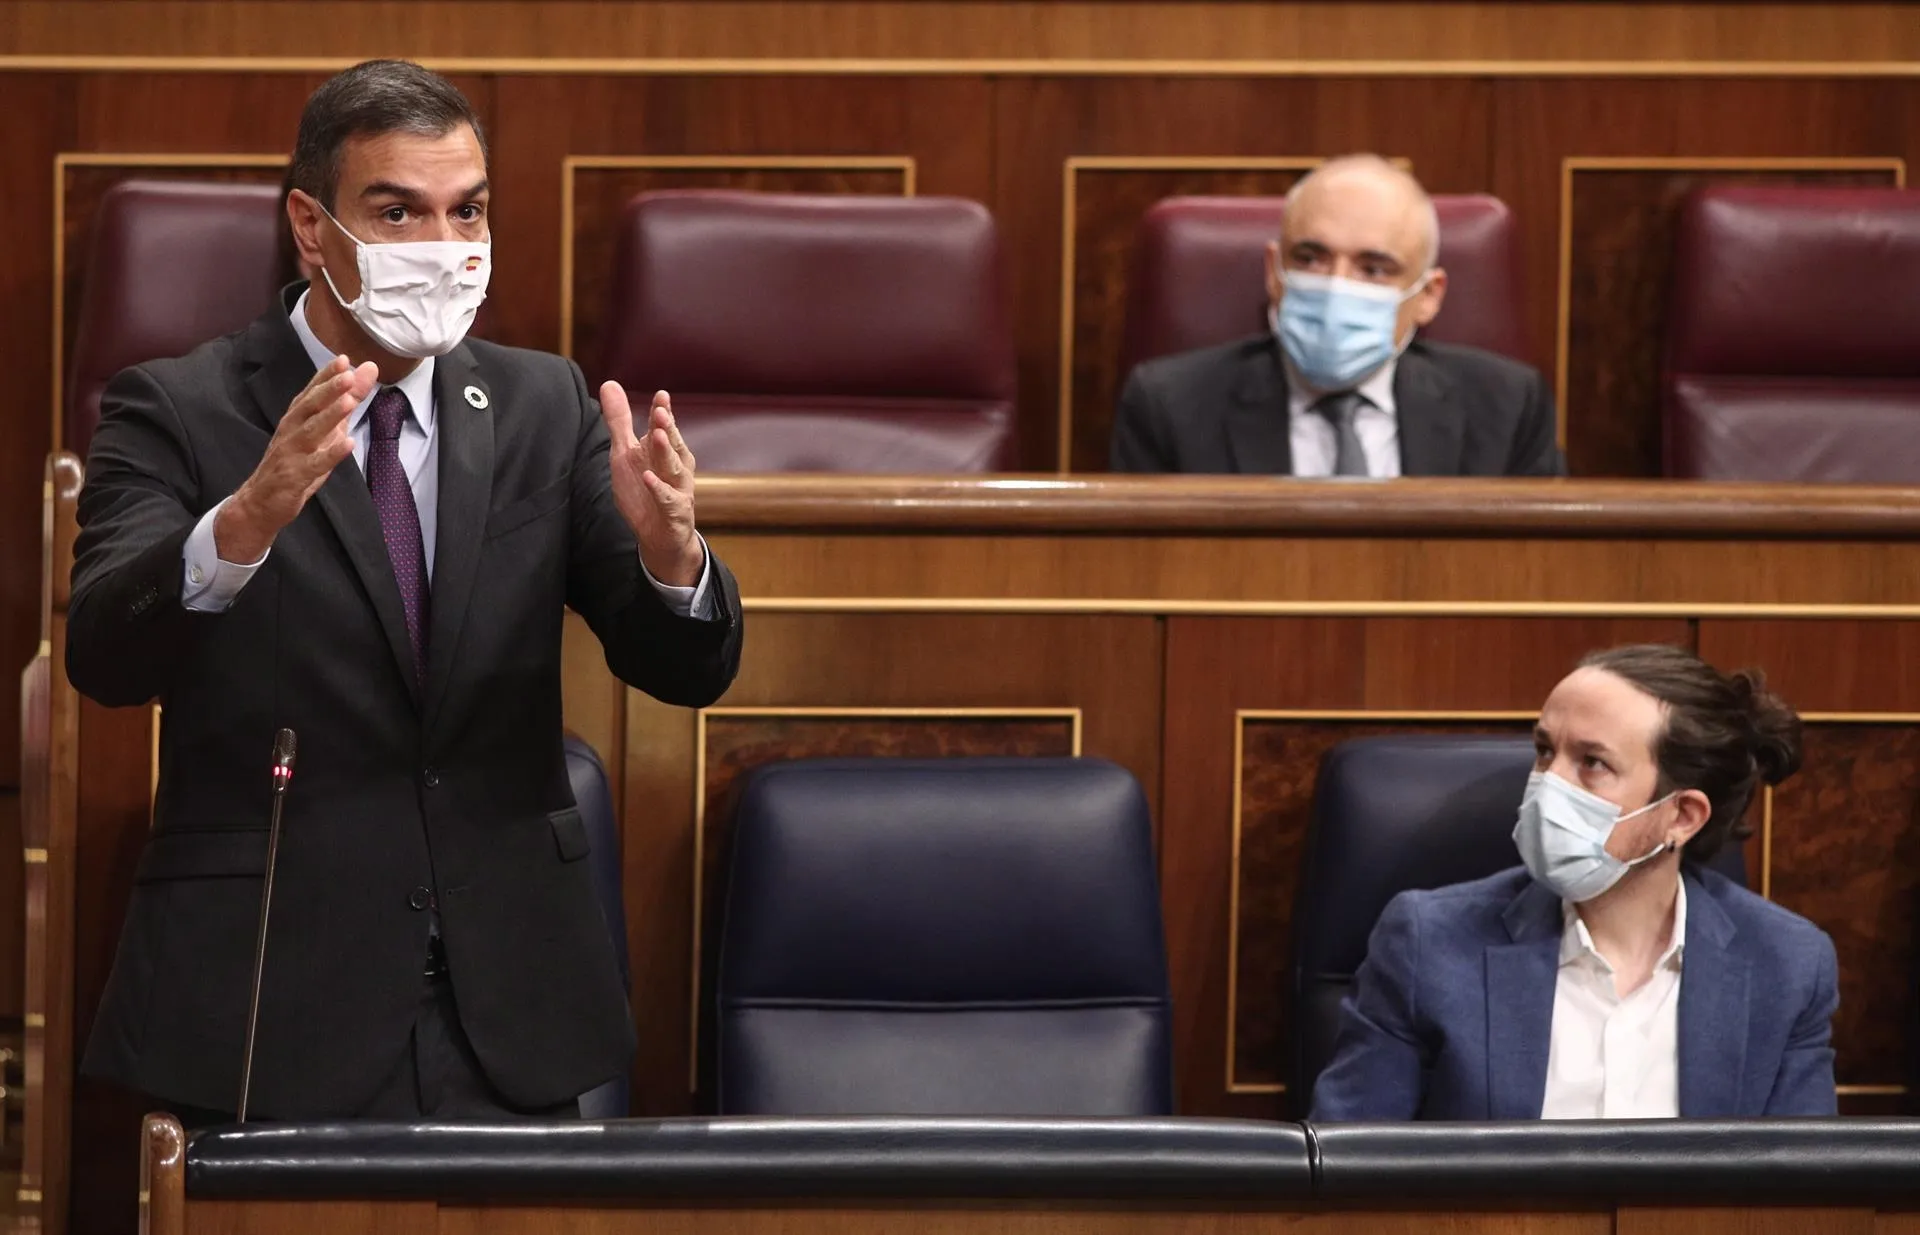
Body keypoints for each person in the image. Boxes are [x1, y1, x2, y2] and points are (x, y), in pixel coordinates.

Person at [68, 60, 743, 1121]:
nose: (442, 244)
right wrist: (240, 525)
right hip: (269, 1005)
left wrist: (672, 558)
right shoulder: (177, 406)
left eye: (465, 209)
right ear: (310, 224)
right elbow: (105, 654)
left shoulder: (545, 403)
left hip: (510, 1008)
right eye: (397, 211)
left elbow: (684, 668)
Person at [1311, 644, 1837, 1120]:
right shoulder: (1428, 942)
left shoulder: (1786, 966)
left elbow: (1806, 1196)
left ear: (1681, 816)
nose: (1547, 784)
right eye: (1545, 750)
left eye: (1592, 763)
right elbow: (1346, 1175)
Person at [1110, 155, 1562, 478]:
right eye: (1310, 259)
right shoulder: (1169, 407)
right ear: (1274, 272)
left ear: (1428, 295)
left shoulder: (1508, 409)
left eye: (1374, 269)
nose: (1336, 285)